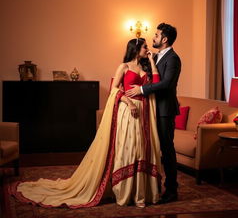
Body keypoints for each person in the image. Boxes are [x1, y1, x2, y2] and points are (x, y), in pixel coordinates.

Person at [10, 38, 162, 208]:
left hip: (144, 113)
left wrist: (151, 61)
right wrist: (129, 102)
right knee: (128, 149)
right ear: (135, 48)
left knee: (140, 150)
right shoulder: (124, 66)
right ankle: (124, 192)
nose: (147, 49)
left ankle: (139, 192)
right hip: (128, 111)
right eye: (144, 47)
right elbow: (114, 89)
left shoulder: (145, 67)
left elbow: (155, 85)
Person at [126, 23, 181, 203]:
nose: (153, 38)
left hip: (165, 111)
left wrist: (141, 90)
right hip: (151, 109)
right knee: (152, 149)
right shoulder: (155, 57)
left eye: (156, 35)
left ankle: (172, 190)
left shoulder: (173, 59)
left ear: (164, 39)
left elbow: (165, 84)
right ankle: (152, 187)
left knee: (166, 149)